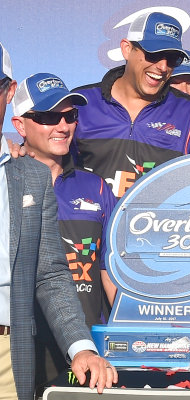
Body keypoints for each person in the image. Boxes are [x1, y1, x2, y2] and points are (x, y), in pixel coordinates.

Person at [0, 43, 117, 400]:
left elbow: (51, 273)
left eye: (69, 116)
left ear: (7, 92)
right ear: (21, 124)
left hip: (9, 350)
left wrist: (83, 346)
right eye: (49, 116)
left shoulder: (29, 179)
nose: (63, 125)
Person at [71, 11, 190, 199]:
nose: (163, 67)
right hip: (90, 228)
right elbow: (49, 168)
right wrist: (24, 152)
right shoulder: (80, 103)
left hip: (159, 227)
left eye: (172, 58)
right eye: (153, 54)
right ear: (126, 49)